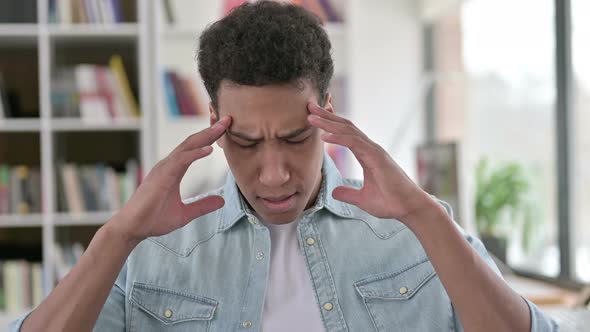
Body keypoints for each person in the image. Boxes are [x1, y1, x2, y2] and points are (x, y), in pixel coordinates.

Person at [11, 1, 557, 331]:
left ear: (328, 114)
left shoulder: (417, 230)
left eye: (296, 138)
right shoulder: (150, 250)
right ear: (213, 121)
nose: (273, 174)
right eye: (245, 142)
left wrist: (424, 214)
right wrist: (119, 235)